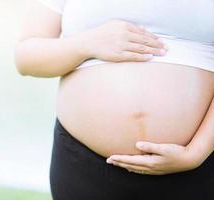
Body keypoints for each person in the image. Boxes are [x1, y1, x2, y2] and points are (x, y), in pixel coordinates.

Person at [15, 0, 214, 199]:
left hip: (198, 163)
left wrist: (196, 153)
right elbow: (26, 58)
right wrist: (86, 44)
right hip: (85, 166)